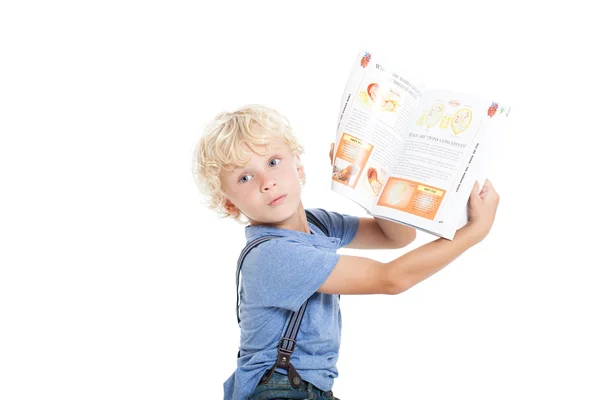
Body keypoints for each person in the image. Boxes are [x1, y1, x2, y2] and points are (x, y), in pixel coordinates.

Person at [191, 104, 499, 400]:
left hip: (309, 389)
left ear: (298, 164)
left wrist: (365, 179)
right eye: (245, 177)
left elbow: (398, 236)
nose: (267, 182)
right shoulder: (272, 255)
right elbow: (390, 279)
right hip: (279, 390)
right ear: (230, 204)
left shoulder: (317, 224)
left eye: (273, 162)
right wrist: (474, 233)